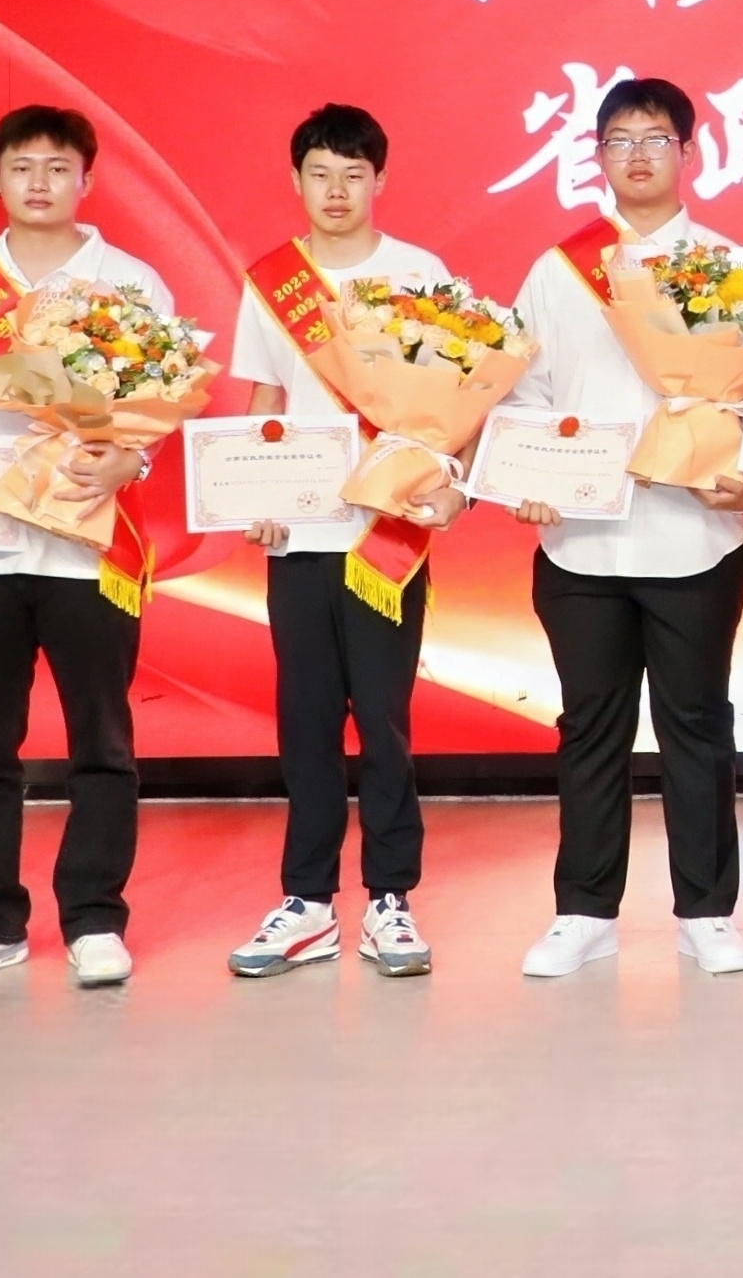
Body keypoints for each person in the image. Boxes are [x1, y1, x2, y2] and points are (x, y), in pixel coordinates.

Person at [0, 105, 175, 994]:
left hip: (89, 547)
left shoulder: (129, 281)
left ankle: (95, 917)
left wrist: (132, 458)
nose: (40, 182)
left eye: (57, 167)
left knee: (102, 738)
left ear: (86, 180)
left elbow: (157, 412)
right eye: (23, 167)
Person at [507, 78, 743, 981]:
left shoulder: (729, 269)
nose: (638, 155)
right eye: (620, 140)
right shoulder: (559, 269)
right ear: (598, 155)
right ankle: (584, 910)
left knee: (698, 726)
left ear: (688, 152)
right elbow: (522, 388)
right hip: (580, 541)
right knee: (590, 729)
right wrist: (531, 476)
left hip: (694, 538)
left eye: (656, 138)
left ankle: (707, 910)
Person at [221, 105, 466, 982]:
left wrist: (450, 485)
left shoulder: (420, 274)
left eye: (353, 174)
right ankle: (309, 901)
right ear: (296, 181)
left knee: (386, 722)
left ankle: (391, 896)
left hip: (384, 535)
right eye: (320, 174)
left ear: (379, 181)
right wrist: (251, 493)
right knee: (307, 722)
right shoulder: (272, 283)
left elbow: (458, 397)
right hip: (299, 537)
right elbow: (262, 405)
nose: (336, 191)